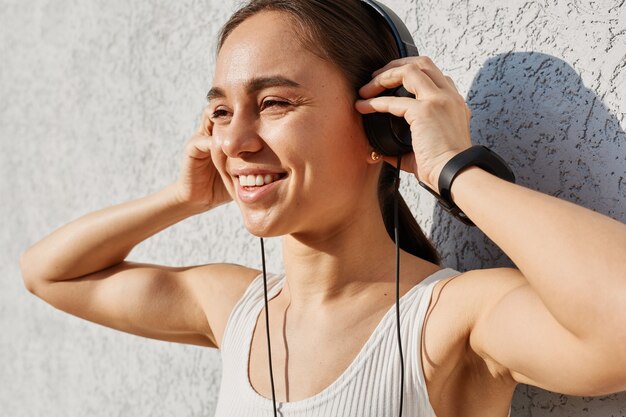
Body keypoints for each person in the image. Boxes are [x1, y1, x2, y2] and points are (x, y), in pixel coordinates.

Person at [20, 1, 626, 416]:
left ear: (383, 122)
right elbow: (47, 273)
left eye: (275, 102)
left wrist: (451, 169)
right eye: (222, 111)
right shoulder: (233, 309)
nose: (232, 141)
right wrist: (182, 197)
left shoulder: (451, 318)